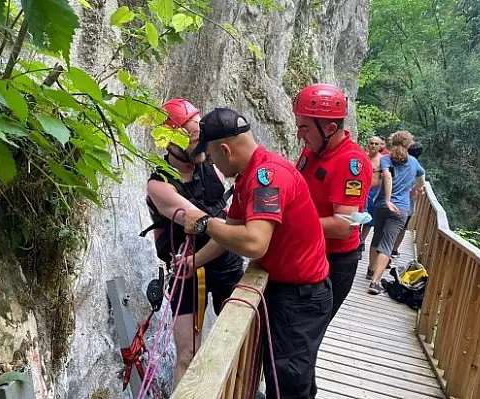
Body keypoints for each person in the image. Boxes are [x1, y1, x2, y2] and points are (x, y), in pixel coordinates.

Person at [182, 108, 332, 399]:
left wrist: (203, 223)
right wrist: (193, 261)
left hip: (301, 299)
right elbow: (232, 232)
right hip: (285, 292)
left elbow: (253, 243)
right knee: (284, 374)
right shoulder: (248, 177)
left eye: (211, 155)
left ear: (225, 149)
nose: (210, 161)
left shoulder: (268, 177)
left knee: (287, 384)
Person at [141, 99, 244, 387]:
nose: (200, 144)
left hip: (223, 261)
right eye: (192, 138)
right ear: (171, 142)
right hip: (186, 271)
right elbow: (196, 218)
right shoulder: (159, 185)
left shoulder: (214, 165)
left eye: (201, 136)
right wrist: (240, 229)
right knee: (187, 353)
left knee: (239, 340)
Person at [292, 83, 372, 320]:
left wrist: (291, 224)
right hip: (308, 253)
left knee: (303, 339)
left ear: (330, 128)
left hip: (332, 263)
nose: (299, 135)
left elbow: (343, 226)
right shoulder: (313, 150)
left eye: (305, 128)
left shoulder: (350, 164)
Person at [367, 131, 425, 294]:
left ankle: (371, 269)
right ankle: (375, 281)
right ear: (409, 144)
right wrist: (415, 189)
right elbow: (422, 177)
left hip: (381, 206)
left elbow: (387, 176)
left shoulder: (386, 159)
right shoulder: (413, 162)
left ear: (392, 143)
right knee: (387, 243)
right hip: (400, 208)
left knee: (377, 237)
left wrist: (386, 200)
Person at [391, 141, 425, 257]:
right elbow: (421, 183)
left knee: (391, 223)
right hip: (408, 201)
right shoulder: (418, 167)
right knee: (403, 226)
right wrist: (413, 190)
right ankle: (394, 249)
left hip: (393, 198)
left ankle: (388, 246)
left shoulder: (399, 162)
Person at [358, 136, 385, 257]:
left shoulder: (383, 161)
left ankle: (362, 240)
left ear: (380, 146)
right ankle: (357, 239)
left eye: (376, 144)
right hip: (360, 190)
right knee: (358, 216)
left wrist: (379, 194)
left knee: (369, 219)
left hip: (374, 191)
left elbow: (384, 179)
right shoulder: (363, 157)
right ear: (368, 145)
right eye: (371, 143)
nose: (373, 145)